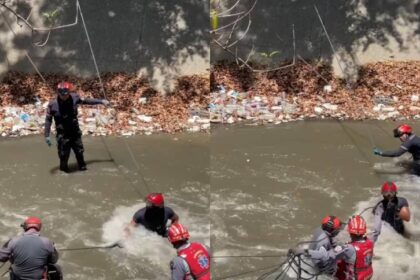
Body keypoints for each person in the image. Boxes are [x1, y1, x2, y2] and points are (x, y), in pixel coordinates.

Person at [44, 81, 110, 172]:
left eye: (66, 95)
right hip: (62, 135)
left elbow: (86, 101)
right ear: (58, 93)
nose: (64, 97)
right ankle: (64, 171)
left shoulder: (75, 98)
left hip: (75, 132)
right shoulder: (52, 104)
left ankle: (83, 168)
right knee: (63, 155)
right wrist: (46, 135)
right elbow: (48, 120)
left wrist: (101, 101)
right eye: (62, 95)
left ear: (69, 92)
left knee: (79, 152)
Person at [335, 215, 374, 280]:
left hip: (357, 277)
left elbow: (333, 255)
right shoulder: (370, 242)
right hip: (368, 273)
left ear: (350, 232)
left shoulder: (349, 248)